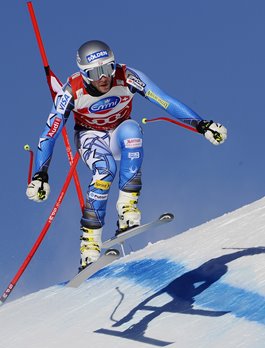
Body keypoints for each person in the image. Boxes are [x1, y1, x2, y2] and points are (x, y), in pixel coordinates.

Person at [26, 40, 227, 270]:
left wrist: (201, 124)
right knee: (105, 168)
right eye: (95, 72)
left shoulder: (127, 76)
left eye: (108, 68)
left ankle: (127, 209)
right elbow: (50, 133)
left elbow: (164, 100)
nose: (104, 77)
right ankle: (90, 242)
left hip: (120, 132)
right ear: (84, 73)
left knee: (133, 131)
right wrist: (40, 174)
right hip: (91, 137)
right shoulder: (72, 90)